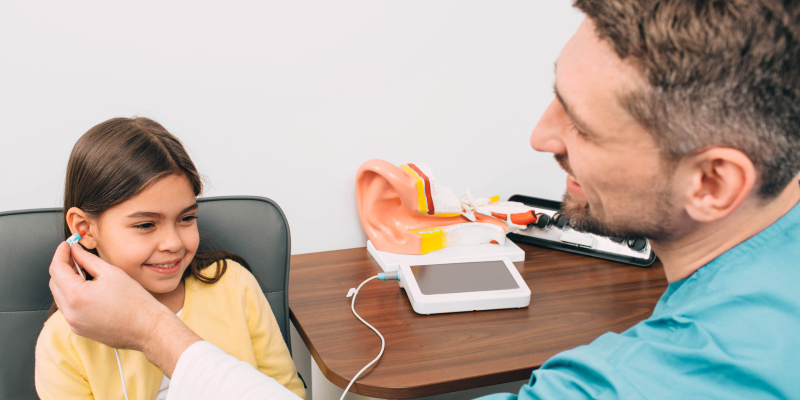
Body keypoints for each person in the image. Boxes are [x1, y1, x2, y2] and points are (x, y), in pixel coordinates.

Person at [48, 0, 800, 398]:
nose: (541, 136)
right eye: (554, 97)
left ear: (712, 183)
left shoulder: (639, 381)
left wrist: (155, 335)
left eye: (583, 122)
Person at [36, 118, 306, 400]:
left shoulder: (234, 285)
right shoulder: (63, 342)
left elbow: (286, 390)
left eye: (187, 218)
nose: (174, 243)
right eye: (145, 225)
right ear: (84, 229)